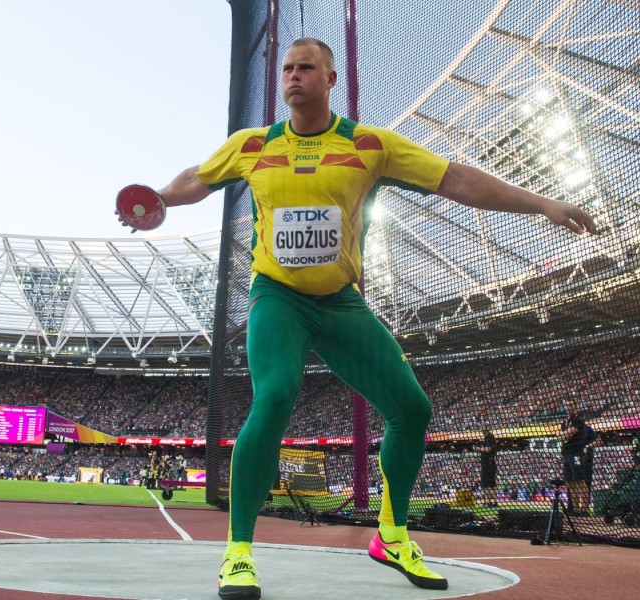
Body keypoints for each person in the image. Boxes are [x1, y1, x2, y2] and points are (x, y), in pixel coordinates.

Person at [118, 38, 597, 600]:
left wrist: (541, 203)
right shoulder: (252, 146)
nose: (293, 76)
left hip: (341, 304)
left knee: (412, 409)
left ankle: (392, 536)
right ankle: (239, 553)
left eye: (306, 68)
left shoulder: (370, 146)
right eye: (288, 69)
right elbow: (198, 177)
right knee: (274, 397)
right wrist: (161, 200)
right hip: (279, 299)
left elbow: (456, 179)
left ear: (330, 79)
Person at [555, 399, 602, 515]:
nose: (568, 407)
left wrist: (561, 435)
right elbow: (560, 437)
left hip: (576, 454)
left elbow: (563, 436)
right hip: (566, 455)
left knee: (580, 482)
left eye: (571, 404)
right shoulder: (565, 422)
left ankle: (584, 510)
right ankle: (575, 509)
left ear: (575, 406)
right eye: (567, 405)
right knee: (570, 483)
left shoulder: (578, 421)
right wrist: (561, 435)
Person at [474, 428, 498, 507]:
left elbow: (488, 449)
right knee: (492, 484)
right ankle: (493, 502)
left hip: (488, 464)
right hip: (490, 463)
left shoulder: (489, 437)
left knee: (486, 484)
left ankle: (488, 502)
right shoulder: (490, 437)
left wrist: (478, 448)